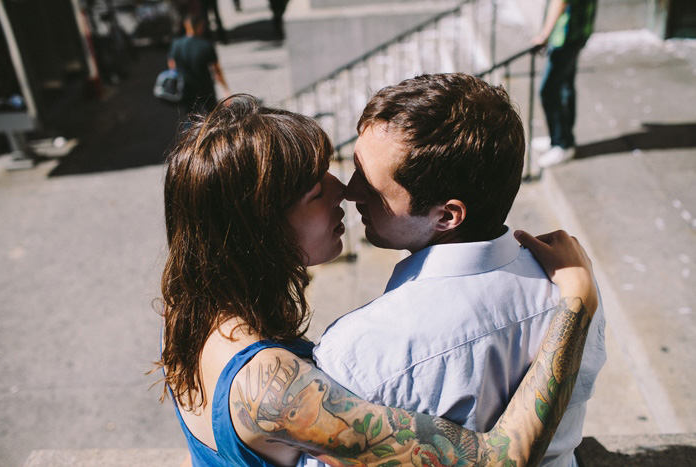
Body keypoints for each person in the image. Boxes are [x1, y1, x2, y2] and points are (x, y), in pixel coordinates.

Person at [158, 94, 600, 467]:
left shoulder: (193, 307)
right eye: (315, 191)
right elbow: (498, 459)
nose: (342, 191)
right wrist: (577, 304)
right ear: (263, 230)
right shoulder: (272, 388)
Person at [310, 74, 606, 467]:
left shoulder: (360, 350)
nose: (350, 191)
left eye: (371, 183)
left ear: (447, 216)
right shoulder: (571, 286)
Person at [532, 0, 598, 167]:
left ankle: (563, 143)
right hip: (579, 31)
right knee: (565, 85)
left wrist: (543, 35)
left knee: (548, 90)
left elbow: (559, 2)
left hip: (566, 34)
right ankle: (560, 135)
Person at [168, 14, 230, 115]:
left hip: (186, 88)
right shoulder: (205, 45)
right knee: (212, 117)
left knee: (190, 117)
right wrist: (226, 90)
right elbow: (217, 71)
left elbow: (172, 65)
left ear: (186, 25)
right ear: (200, 26)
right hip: (205, 87)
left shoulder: (176, 45)